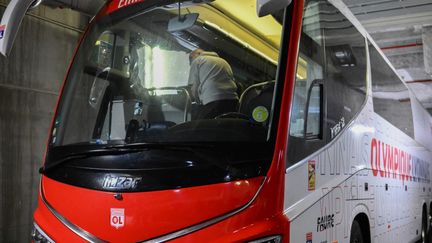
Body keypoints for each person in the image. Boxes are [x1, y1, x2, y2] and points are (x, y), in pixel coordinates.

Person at [188, 48, 239, 119]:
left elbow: (194, 87)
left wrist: (197, 102)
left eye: (190, 60)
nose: (191, 63)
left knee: (203, 126)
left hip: (213, 100)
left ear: (195, 55)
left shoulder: (197, 61)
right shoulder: (223, 61)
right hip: (233, 100)